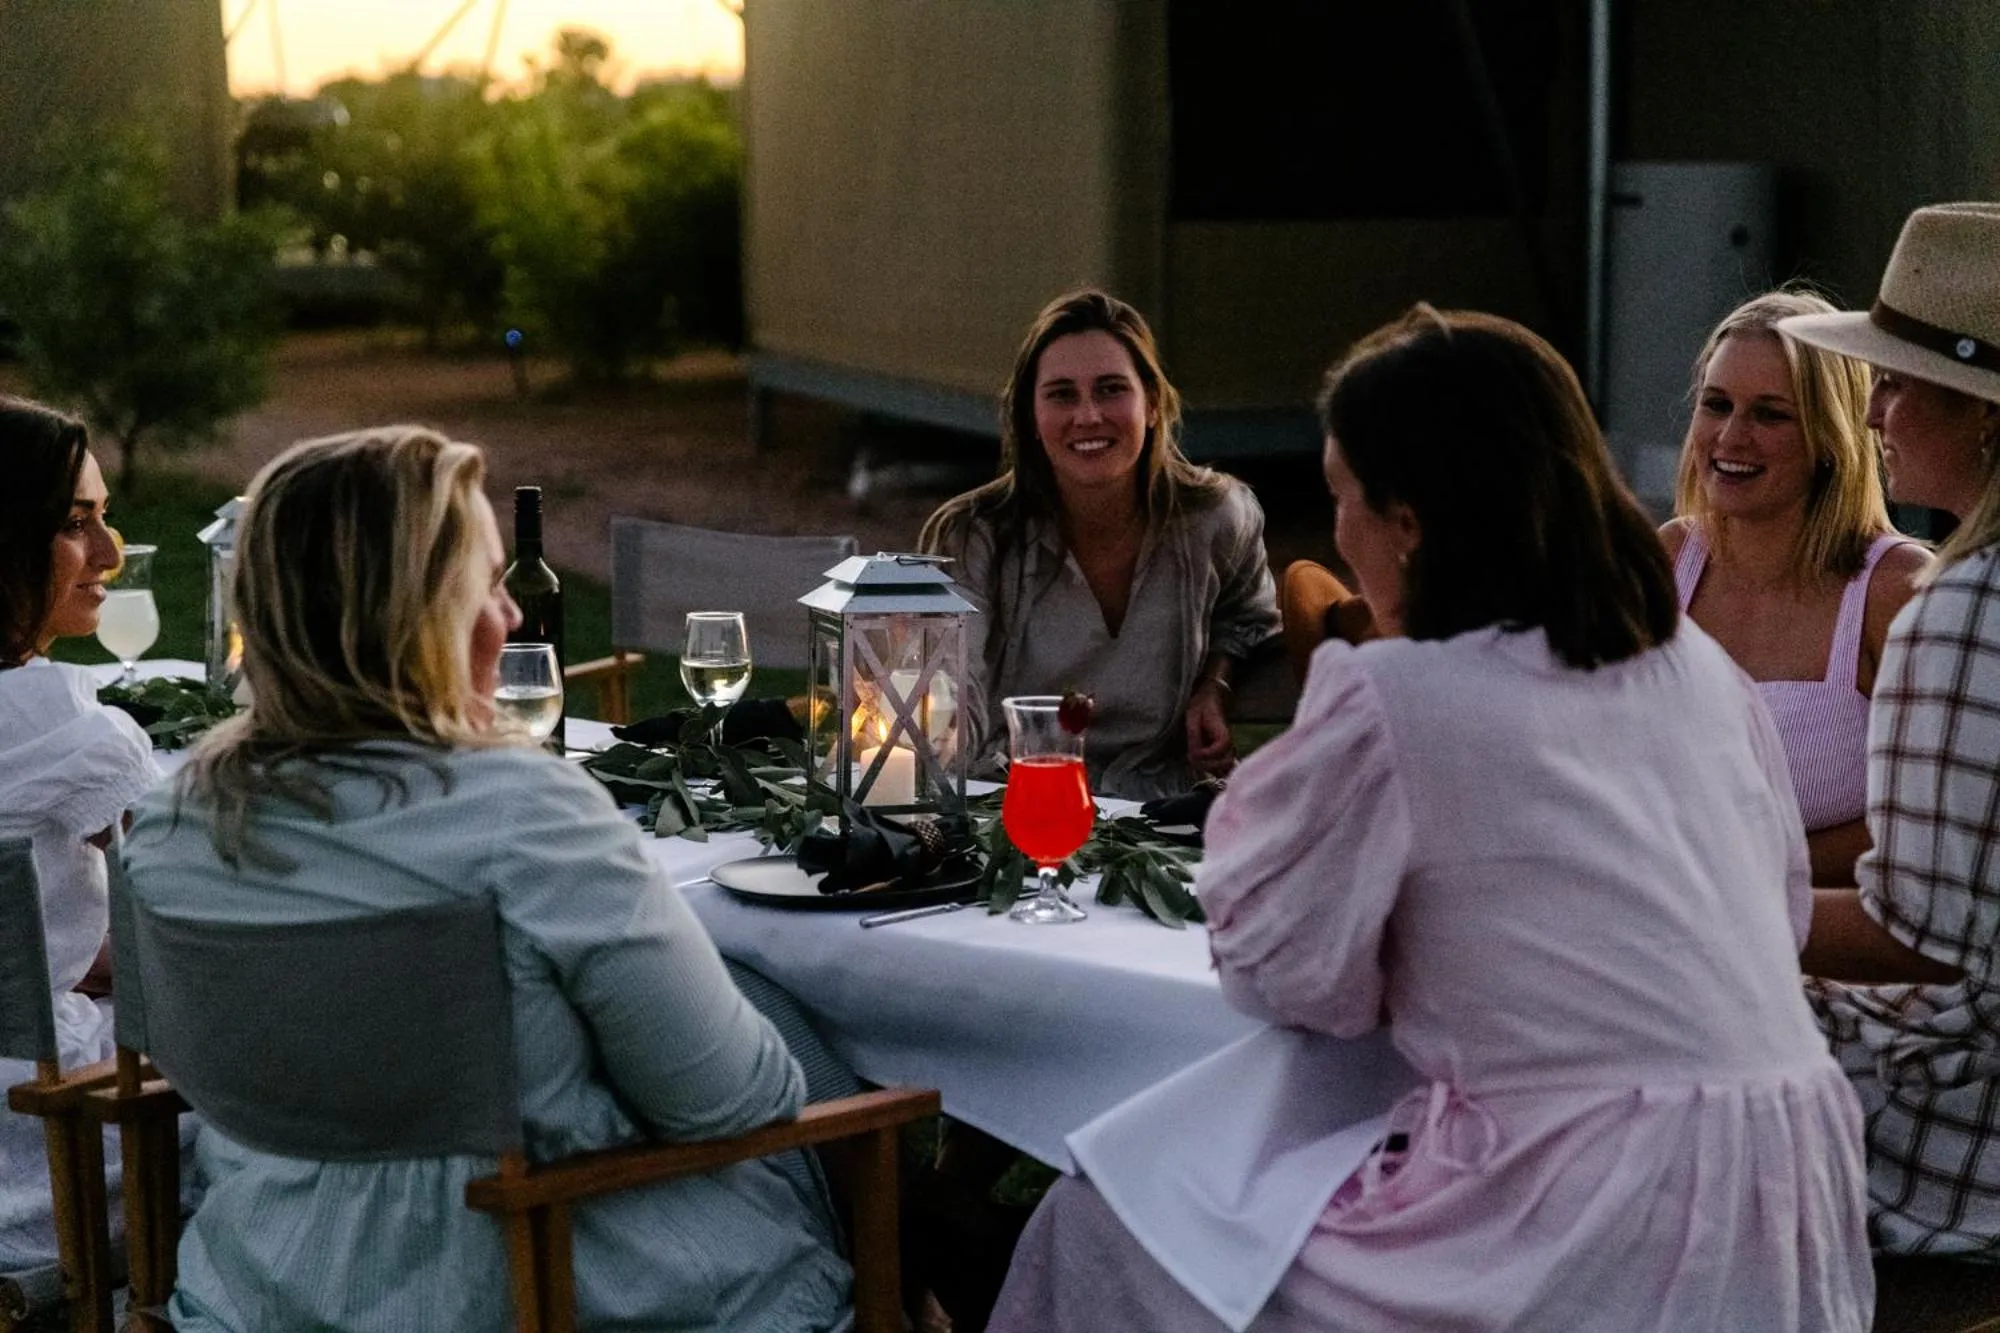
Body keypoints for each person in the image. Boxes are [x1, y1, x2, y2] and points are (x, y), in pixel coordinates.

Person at [987, 308, 1872, 1332]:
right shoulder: (1694, 670)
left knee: (1107, 1217)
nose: (1338, 534)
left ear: (1404, 519)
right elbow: (1780, 911)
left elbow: (1282, 975)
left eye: (1340, 499)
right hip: (1786, 1193)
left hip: (1579, 1203)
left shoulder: (1400, 694)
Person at [124, 427, 851, 1331]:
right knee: (827, 1085)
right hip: (544, 1280)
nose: (511, 619)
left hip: (268, 1287)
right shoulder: (523, 811)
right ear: (417, 615)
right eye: (490, 584)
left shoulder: (168, 826)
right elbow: (734, 1101)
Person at [1783, 202, 2000, 1257]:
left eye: (1900, 383)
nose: (1873, 410)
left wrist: (1698, 902)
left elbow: (1918, 943)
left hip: (1955, 1128)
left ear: (1984, 418)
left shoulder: (1958, 611)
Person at [917, 289, 1280, 801]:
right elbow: (955, 700)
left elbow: (1249, 618)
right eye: (1062, 394)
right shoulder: (973, 534)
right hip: (1019, 802)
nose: (1087, 416)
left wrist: (1215, 684)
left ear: (1152, 404)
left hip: (1166, 808)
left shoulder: (1215, 516)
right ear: (1030, 418)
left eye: (1111, 389)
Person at [1662, 289, 1931, 885]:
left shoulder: (1896, 591)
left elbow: (1934, 832)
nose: (1731, 438)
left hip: (1840, 966)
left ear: (1830, 437)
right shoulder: (1666, 563)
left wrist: (1745, 877)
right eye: (1716, 404)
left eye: (1770, 414)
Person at [0, 396, 161, 1272]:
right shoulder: (65, 723)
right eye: (76, 524)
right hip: (43, 1141)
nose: (110, 553)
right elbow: (172, 925)